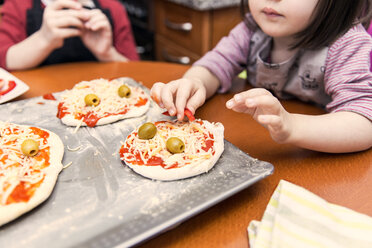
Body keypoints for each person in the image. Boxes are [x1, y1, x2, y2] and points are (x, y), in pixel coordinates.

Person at [151, 0, 372, 153]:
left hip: (324, 165)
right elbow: (216, 63)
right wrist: (195, 81)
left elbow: (363, 123)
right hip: (260, 144)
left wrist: (292, 126)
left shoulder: (346, 44)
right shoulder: (251, 29)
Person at [0, 0, 139, 70]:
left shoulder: (113, 8)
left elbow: (137, 71)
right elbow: (4, 60)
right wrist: (43, 39)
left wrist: (107, 53)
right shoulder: (18, 5)